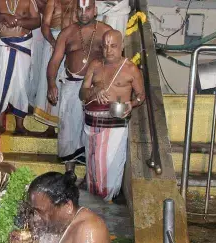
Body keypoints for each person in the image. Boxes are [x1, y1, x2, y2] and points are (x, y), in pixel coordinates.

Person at [79, 30, 145, 202]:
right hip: (91, 123)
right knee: (93, 165)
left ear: (122, 46)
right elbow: (82, 93)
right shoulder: (95, 65)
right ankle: (95, 200)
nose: (108, 50)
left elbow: (141, 95)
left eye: (113, 46)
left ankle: (107, 199)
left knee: (109, 166)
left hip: (114, 125)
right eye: (105, 46)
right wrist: (95, 90)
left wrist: (132, 103)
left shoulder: (130, 68)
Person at [47, 0, 111, 173]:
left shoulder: (107, 32)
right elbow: (54, 61)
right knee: (68, 129)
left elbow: (115, 63)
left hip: (96, 90)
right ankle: (70, 173)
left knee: (93, 132)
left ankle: (91, 175)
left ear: (95, 10)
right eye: (80, 9)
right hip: (71, 86)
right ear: (75, 12)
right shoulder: (67, 33)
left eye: (88, 9)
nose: (84, 13)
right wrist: (51, 83)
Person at [0, 0, 41, 134]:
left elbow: (37, 21)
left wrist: (18, 21)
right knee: (0, 83)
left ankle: (20, 125)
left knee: (22, 84)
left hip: (23, 44)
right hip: (1, 44)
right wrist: (3, 17)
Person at [32, 0, 76, 137]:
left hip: (71, 43)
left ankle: (65, 127)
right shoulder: (53, 1)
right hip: (52, 41)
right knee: (49, 82)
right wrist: (53, 42)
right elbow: (45, 25)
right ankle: (49, 127)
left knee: (67, 85)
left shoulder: (79, 2)